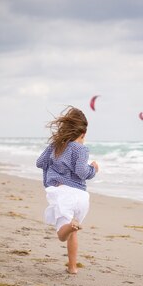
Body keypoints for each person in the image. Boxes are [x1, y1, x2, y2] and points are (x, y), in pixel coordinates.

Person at [36, 106, 99, 274]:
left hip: (63, 194)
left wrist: (53, 165)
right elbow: (82, 172)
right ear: (83, 133)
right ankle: (72, 267)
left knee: (63, 233)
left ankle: (71, 227)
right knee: (74, 232)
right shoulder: (81, 149)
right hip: (81, 197)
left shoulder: (55, 146)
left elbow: (40, 162)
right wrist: (93, 169)